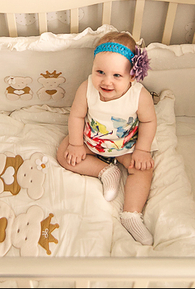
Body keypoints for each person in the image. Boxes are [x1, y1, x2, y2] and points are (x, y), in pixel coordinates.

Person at [56, 31, 157, 245]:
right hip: (92, 142)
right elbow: (77, 116)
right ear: (92, 68)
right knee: (64, 154)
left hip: (126, 146)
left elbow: (148, 122)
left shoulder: (139, 96)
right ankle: (105, 171)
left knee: (143, 169)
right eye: (100, 72)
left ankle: (131, 214)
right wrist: (76, 144)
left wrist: (142, 150)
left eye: (117, 75)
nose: (106, 81)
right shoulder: (86, 88)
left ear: (132, 76)